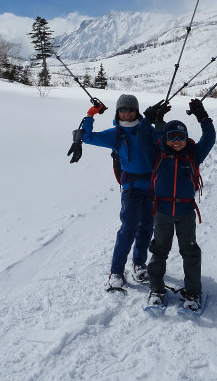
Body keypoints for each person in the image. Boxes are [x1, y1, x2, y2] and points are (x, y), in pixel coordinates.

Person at [80, 94, 169, 290]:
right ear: (117, 112)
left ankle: (139, 263)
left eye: (130, 109)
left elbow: (165, 143)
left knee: (146, 227)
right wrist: (90, 114)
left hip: (152, 187)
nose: (127, 113)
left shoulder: (147, 130)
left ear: (136, 111)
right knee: (128, 229)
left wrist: (161, 123)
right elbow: (87, 137)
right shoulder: (116, 134)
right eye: (123, 110)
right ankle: (116, 272)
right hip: (131, 190)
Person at [146, 98, 216, 312]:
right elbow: (142, 135)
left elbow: (209, 138)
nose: (176, 141)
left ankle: (193, 292)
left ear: (186, 138)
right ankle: (156, 289)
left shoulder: (193, 154)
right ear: (165, 139)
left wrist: (202, 117)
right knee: (159, 251)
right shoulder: (157, 153)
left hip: (186, 212)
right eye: (171, 137)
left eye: (181, 136)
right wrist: (150, 119)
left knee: (190, 252)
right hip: (162, 212)